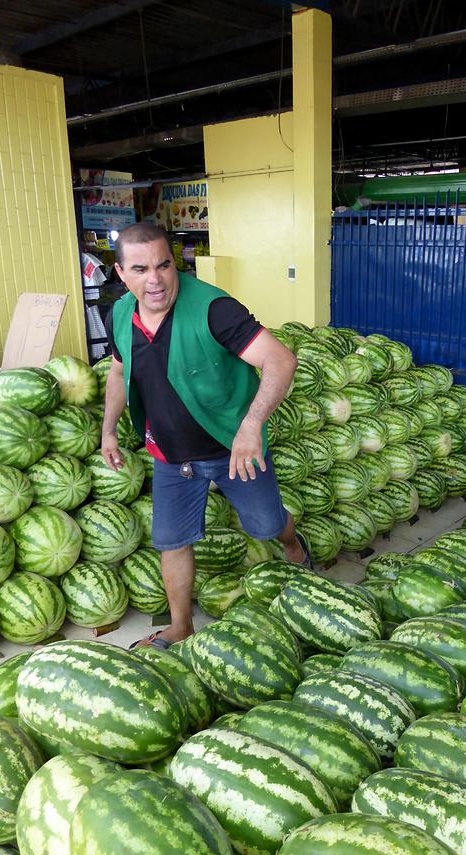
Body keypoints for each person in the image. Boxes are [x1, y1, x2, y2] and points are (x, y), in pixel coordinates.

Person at [101, 223, 309, 650]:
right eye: (140, 269)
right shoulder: (120, 314)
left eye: (163, 264)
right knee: (172, 542)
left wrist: (251, 427)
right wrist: (109, 431)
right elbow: (120, 372)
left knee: (266, 524)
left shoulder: (214, 309)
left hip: (230, 447)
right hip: (170, 454)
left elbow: (280, 360)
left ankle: (293, 543)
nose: (155, 279)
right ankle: (181, 625)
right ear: (121, 273)